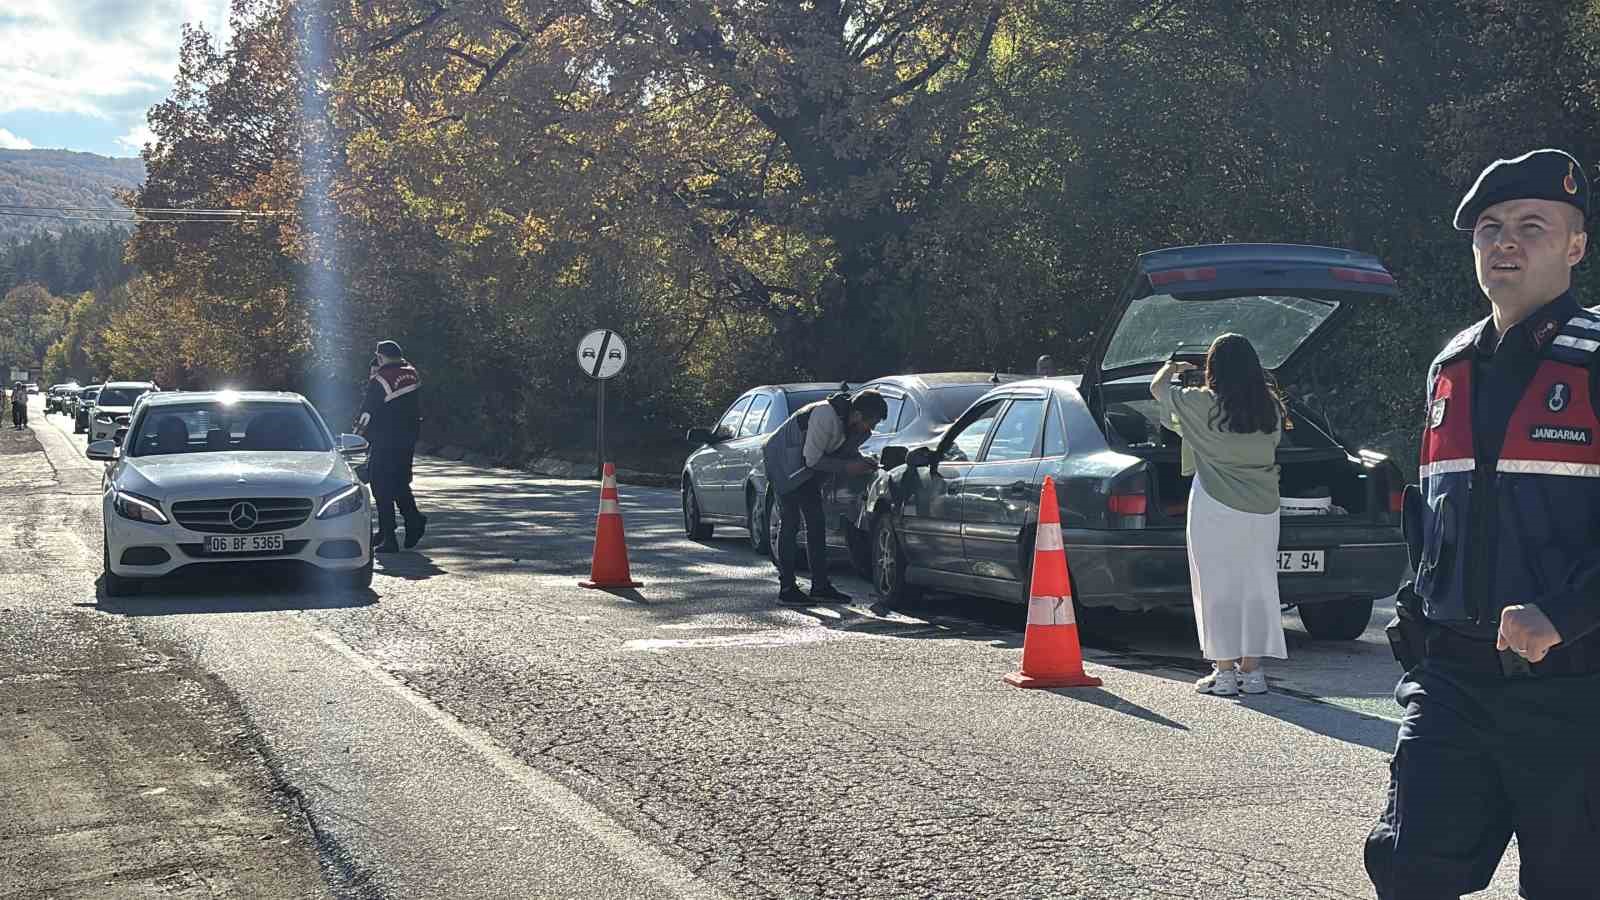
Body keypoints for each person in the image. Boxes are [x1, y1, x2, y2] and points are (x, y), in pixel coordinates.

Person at [1364, 148, 1600, 899]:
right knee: (1407, 872)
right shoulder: (1449, 365)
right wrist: (1414, 609)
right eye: (1489, 227)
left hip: (1576, 689)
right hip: (1452, 681)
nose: (1505, 241)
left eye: (1532, 226)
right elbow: (1434, 514)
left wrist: (1564, 614)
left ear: (1575, 245)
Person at [1151, 334, 1285, 696]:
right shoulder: (1270, 406)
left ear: (1214, 370)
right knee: (1257, 585)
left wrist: (1173, 367)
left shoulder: (1201, 404)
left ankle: (1224, 673)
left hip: (1214, 503)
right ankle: (1253, 673)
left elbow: (1158, 389)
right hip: (1264, 507)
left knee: (1216, 585)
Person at [761, 389, 888, 605]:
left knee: (816, 522)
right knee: (790, 522)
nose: (872, 429)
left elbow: (843, 451)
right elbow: (812, 459)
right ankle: (787, 588)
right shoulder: (824, 415)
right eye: (871, 422)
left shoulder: (856, 427)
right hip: (782, 461)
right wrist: (849, 467)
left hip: (805, 466)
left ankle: (820, 586)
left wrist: (863, 461)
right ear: (857, 415)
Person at [356, 341, 426, 553]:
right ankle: (413, 520)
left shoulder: (380, 380)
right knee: (399, 481)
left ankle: (390, 536)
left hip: (385, 439)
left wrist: (356, 437)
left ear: (380, 357)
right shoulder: (411, 373)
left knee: (380, 484)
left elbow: (367, 414)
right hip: (407, 438)